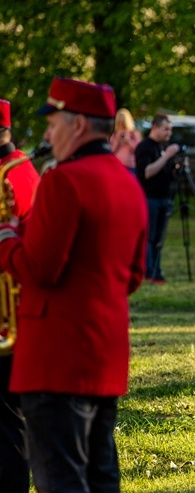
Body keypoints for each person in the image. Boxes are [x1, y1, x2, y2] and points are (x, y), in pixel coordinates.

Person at [0, 77, 148, 492]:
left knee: (61, 479)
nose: (47, 133)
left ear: (78, 125)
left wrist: (7, 238)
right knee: (100, 476)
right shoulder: (127, 182)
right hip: (105, 354)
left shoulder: (64, 181)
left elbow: (40, 269)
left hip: (56, 360)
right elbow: (133, 277)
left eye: (54, 122)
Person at [0, 99, 41, 493]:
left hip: (11, 318)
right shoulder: (22, 170)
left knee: (8, 424)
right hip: (13, 315)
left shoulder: (11, 175)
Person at [135, 114, 182, 284]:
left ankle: (157, 270)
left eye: (170, 129)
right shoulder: (145, 147)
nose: (169, 133)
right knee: (150, 236)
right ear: (155, 127)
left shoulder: (165, 146)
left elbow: (169, 173)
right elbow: (147, 172)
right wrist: (166, 156)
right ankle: (149, 271)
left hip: (165, 197)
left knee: (159, 238)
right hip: (150, 198)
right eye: (166, 129)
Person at [109, 107, 142, 175]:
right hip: (117, 164)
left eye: (123, 122)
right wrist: (117, 141)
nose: (121, 124)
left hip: (130, 165)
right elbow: (111, 150)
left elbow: (139, 149)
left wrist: (128, 141)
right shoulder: (115, 134)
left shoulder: (133, 133)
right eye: (119, 122)